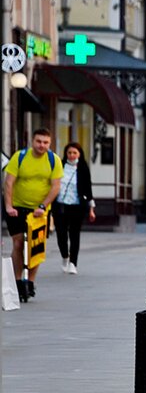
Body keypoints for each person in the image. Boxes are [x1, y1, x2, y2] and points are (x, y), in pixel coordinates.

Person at [5, 128, 62, 301]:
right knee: (18, 244)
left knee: (35, 247)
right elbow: (8, 182)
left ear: (50, 144)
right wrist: (8, 206)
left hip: (39, 210)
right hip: (17, 207)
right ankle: (17, 280)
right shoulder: (19, 157)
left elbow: (55, 186)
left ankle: (30, 281)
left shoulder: (54, 160)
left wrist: (43, 206)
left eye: (45, 142)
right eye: (39, 141)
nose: (41, 145)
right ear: (32, 141)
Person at [51, 142, 95, 275]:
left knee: (75, 235)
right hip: (60, 206)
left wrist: (91, 209)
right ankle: (65, 256)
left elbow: (88, 189)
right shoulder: (60, 166)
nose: (71, 155)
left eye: (74, 153)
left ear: (79, 154)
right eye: (69, 153)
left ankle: (73, 263)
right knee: (61, 234)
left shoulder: (83, 168)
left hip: (77, 206)